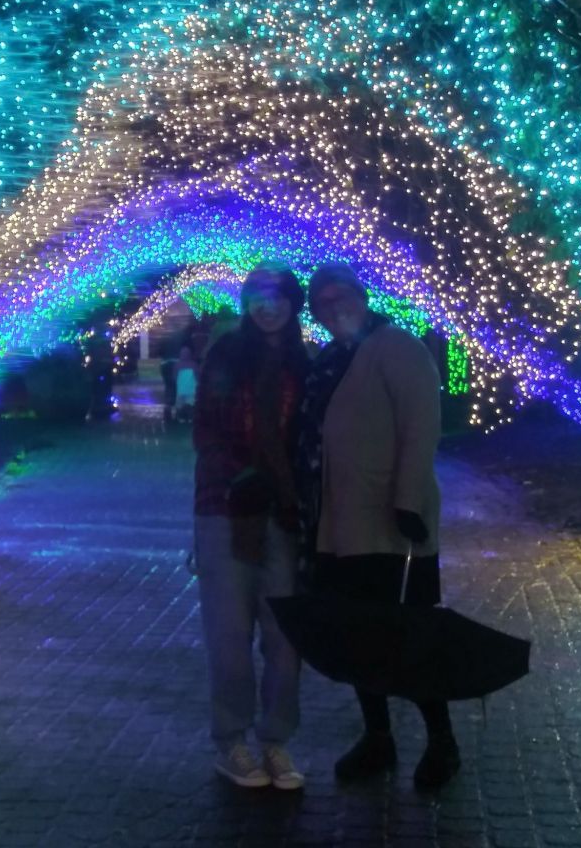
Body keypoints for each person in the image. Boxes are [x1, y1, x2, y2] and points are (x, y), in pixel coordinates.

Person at [300, 262, 460, 790]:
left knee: (410, 634)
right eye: (322, 302)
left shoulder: (397, 348)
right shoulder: (332, 357)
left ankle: (442, 740)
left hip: (392, 525)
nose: (333, 308)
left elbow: (422, 426)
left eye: (341, 296)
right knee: (359, 635)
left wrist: (408, 500)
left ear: (362, 296)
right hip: (340, 523)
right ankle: (378, 736)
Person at [192, 264, 309, 790]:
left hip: (285, 514)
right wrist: (241, 478)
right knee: (229, 632)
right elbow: (207, 430)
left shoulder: (304, 362)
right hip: (226, 509)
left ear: (293, 303)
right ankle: (232, 741)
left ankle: (277, 739)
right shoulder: (227, 354)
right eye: (259, 297)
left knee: (285, 636)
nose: (269, 307)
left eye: (278, 297)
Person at [174, 345, 198, 422]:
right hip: (191, 389)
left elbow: (174, 376)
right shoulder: (193, 364)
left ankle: (181, 418)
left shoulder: (177, 365)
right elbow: (197, 376)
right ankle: (190, 417)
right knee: (190, 405)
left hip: (181, 389)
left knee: (180, 405)